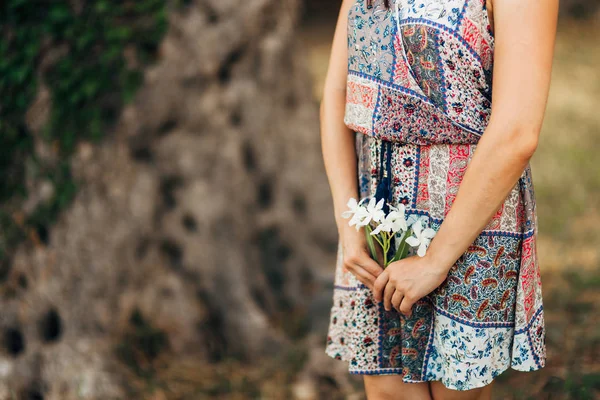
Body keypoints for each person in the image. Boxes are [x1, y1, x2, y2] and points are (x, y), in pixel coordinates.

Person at [319, 0, 558, 399]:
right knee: (387, 391)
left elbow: (517, 131)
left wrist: (435, 261)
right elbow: (336, 91)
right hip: (378, 211)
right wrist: (349, 222)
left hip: (472, 215)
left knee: (455, 391)